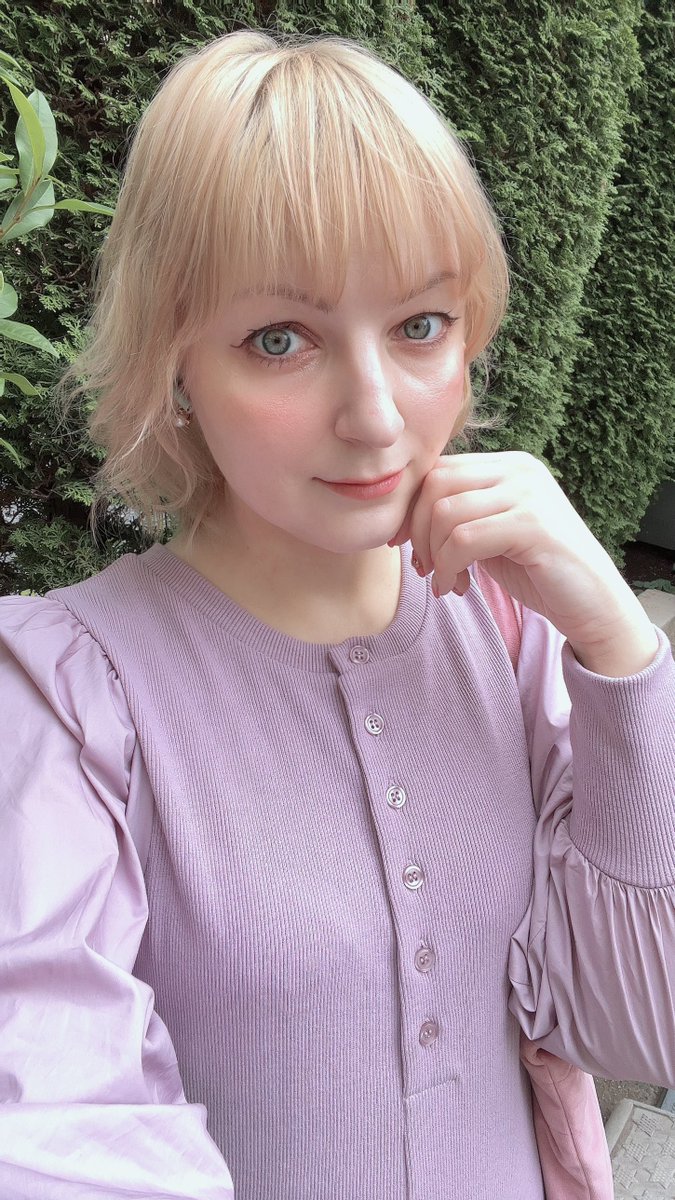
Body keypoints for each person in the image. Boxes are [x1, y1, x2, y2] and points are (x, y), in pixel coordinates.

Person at [0, 28, 673, 1200]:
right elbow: (53, 1120)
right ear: (175, 362)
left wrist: (621, 648)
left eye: (420, 326)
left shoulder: (510, 634)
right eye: (281, 339)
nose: (376, 414)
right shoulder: (69, 699)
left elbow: (643, 1024)